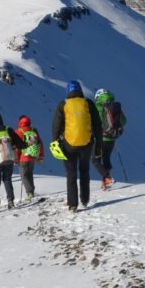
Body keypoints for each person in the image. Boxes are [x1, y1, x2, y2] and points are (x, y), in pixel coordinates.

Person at [53, 80, 102, 213]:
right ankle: (85, 200)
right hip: (86, 144)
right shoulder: (88, 103)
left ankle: (73, 205)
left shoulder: (63, 104)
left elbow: (56, 126)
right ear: (80, 90)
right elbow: (97, 126)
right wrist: (98, 144)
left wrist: (55, 141)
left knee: (71, 174)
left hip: (69, 145)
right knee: (84, 171)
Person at [93, 88, 126, 190]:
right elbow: (124, 121)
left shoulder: (98, 106)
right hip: (112, 138)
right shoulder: (114, 106)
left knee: (95, 160)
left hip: (100, 138)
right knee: (106, 158)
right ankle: (105, 183)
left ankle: (107, 178)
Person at [15, 115, 45, 200]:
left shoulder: (19, 131)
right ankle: (31, 192)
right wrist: (41, 155)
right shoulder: (33, 130)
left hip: (23, 157)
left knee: (23, 175)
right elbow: (40, 143)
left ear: (20, 122)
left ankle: (30, 193)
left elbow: (17, 146)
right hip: (32, 157)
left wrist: (16, 157)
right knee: (29, 174)